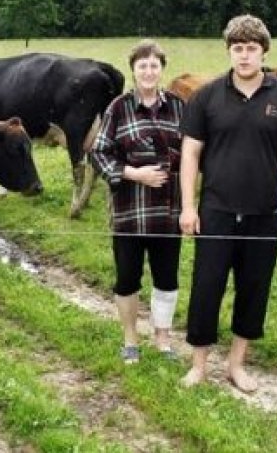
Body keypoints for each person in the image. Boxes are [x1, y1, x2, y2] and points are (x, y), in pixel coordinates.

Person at [178, 15, 277, 391]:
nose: (244, 56)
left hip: (265, 213)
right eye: (237, 48)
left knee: (254, 290)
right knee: (207, 287)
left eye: (252, 48)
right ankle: (199, 365)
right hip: (216, 211)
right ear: (229, 51)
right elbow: (190, 154)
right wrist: (189, 207)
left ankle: (237, 365)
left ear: (264, 51)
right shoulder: (207, 96)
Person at [89, 39, 185, 365]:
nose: (148, 71)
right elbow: (98, 153)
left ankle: (162, 339)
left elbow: (191, 153)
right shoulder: (118, 107)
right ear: (133, 70)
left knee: (166, 278)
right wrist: (134, 173)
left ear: (161, 69)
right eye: (142, 65)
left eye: (154, 65)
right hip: (130, 212)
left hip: (168, 212)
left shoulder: (177, 106)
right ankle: (130, 339)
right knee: (127, 277)